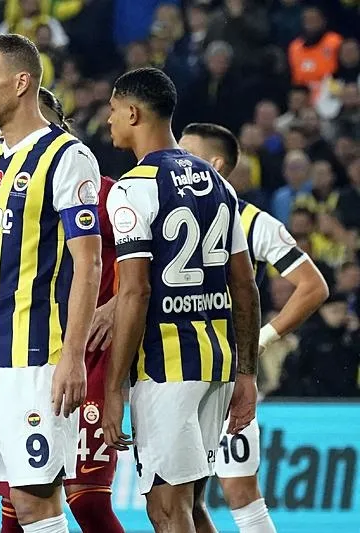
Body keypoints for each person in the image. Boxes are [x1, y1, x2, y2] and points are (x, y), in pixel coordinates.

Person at [0, 34, 103, 533]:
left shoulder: (68, 157)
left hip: (34, 362)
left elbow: (89, 264)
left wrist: (72, 357)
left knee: (34, 506)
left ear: (21, 82)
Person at [101, 67, 261, 533]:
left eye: (113, 110)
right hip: (217, 363)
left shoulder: (132, 188)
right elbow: (244, 285)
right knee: (189, 504)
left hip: (165, 367)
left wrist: (113, 388)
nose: (109, 120)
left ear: (133, 113)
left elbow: (135, 291)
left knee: (167, 510)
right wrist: (247, 372)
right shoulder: (220, 184)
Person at [179, 122, 329, 533]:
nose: (176, 160)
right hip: (172, 370)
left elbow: (313, 286)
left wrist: (263, 337)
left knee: (239, 490)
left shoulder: (253, 221)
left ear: (214, 164)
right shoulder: (164, 213)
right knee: (181, 497)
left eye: (186, 153)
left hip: (226, 377)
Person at [0, 87, 124, 533]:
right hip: (23, 356)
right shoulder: (0, 191)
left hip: (88, 359)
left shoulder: (103, 194)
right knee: (18, 503)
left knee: (88, 501)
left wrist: (115, 303)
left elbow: (151, 259)